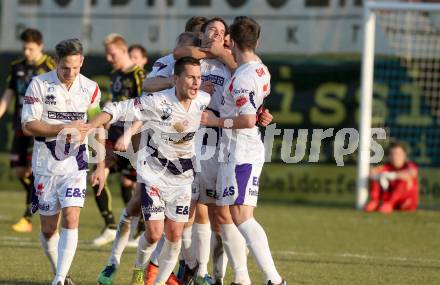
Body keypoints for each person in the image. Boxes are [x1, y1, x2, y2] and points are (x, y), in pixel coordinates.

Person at [90, 56, 210, 285]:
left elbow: (231, 112)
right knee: (154, 233)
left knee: (174, 236)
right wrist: (91, 125)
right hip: (154, 174)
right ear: (175, 79)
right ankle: (137, 270)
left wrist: (258, 117)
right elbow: (117, 108)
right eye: (191, 77)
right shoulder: (158, 101)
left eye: (199, 78)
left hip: (183, 179)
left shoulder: (204, 100)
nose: (196, 83)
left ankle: (156, 282)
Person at [201, 16, 285, 285]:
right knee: (233, 214)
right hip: (234, 149)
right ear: (257, 42)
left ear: (232, 42)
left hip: (241, 149)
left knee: (241, 215)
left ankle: (274, 279)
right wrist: (261, 113)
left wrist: (214, 121)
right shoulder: (261, 70)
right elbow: (254, 110)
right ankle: (242, 279)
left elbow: (247, 119)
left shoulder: (243, 78)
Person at [21, 38, 102, 285]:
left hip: (75, 164)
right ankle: (62, 274)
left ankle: (58, 280)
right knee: (48, 229)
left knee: (72, 216)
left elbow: (96, 126)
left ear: (82, 63)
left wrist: (100, 164)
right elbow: (28, 125)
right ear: (55, 62)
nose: (70, 73)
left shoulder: (91, 88)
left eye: (76, 68)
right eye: (65, 67)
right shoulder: (38, 84)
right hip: (45, 164)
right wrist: (64, 127)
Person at [92, 33, 146, 246]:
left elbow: (146, 109)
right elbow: (114, 105)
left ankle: (141, 229)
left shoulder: (139, 75)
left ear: (123, 51)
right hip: (115, 135)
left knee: (137, 184)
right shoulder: (115, 74)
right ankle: (110, 226)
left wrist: (129, 133)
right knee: (96, 176)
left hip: (135, 137)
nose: (108, 58)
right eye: (106, 54)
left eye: (111, 53)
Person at [0, 28, 55, 233]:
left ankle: (27, 217)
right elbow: (8, 95)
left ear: (40, 46)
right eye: (24, 48)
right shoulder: (17, 67)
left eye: (30, 48)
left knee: (33, 170)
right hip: (20, 125)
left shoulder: (50, 66)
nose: (26, 52)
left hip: (40, 127)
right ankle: (43, 197)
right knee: (19, 171)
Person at [365, 141, 419, 213]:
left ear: (404, 155)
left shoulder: (409, 165)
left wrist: (392, 175)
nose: (395, 157)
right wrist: (380, 176)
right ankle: (374, 202)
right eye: (392, 154)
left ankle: (390, 204)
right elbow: (372, 173)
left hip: (406, 202)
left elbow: (412, 173)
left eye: (398, 154)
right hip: (389, 199)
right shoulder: (387, 166)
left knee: (403, 179)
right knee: (376, 178)